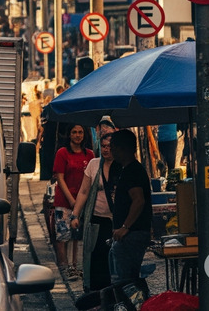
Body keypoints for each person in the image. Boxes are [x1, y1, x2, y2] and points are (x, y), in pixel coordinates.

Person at [70, 132, 114, 292]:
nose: (106, 150)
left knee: (113, 260)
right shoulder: (93, 165)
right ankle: (96, 296)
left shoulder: (122, 166)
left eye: (109, 146)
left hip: (115, 222)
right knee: (95, 258)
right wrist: (75, 214)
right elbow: (84, 191)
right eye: (103, 146)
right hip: (96, 220)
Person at [108, 130, 152, 283]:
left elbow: (138, 200)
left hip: (132, 234)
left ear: (122, 148)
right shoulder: (126, 170)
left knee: (127, 279)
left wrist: (125, 227)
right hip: (129, 233)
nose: (111, 150)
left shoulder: (133, 171)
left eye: (113, 147)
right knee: (125, 277)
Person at [52, 123, 93, 279]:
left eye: (80, 132)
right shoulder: (62, 153)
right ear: (69, 134)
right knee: (63, 234)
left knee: (78, 235)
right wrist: (71, 199)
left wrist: (80, 202)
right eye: (74, 132)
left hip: (83, 200)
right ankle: (64, 266)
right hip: (64, 200)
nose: (78, 135)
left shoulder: (89, 155)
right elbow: (59, 178)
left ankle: (76, 265)